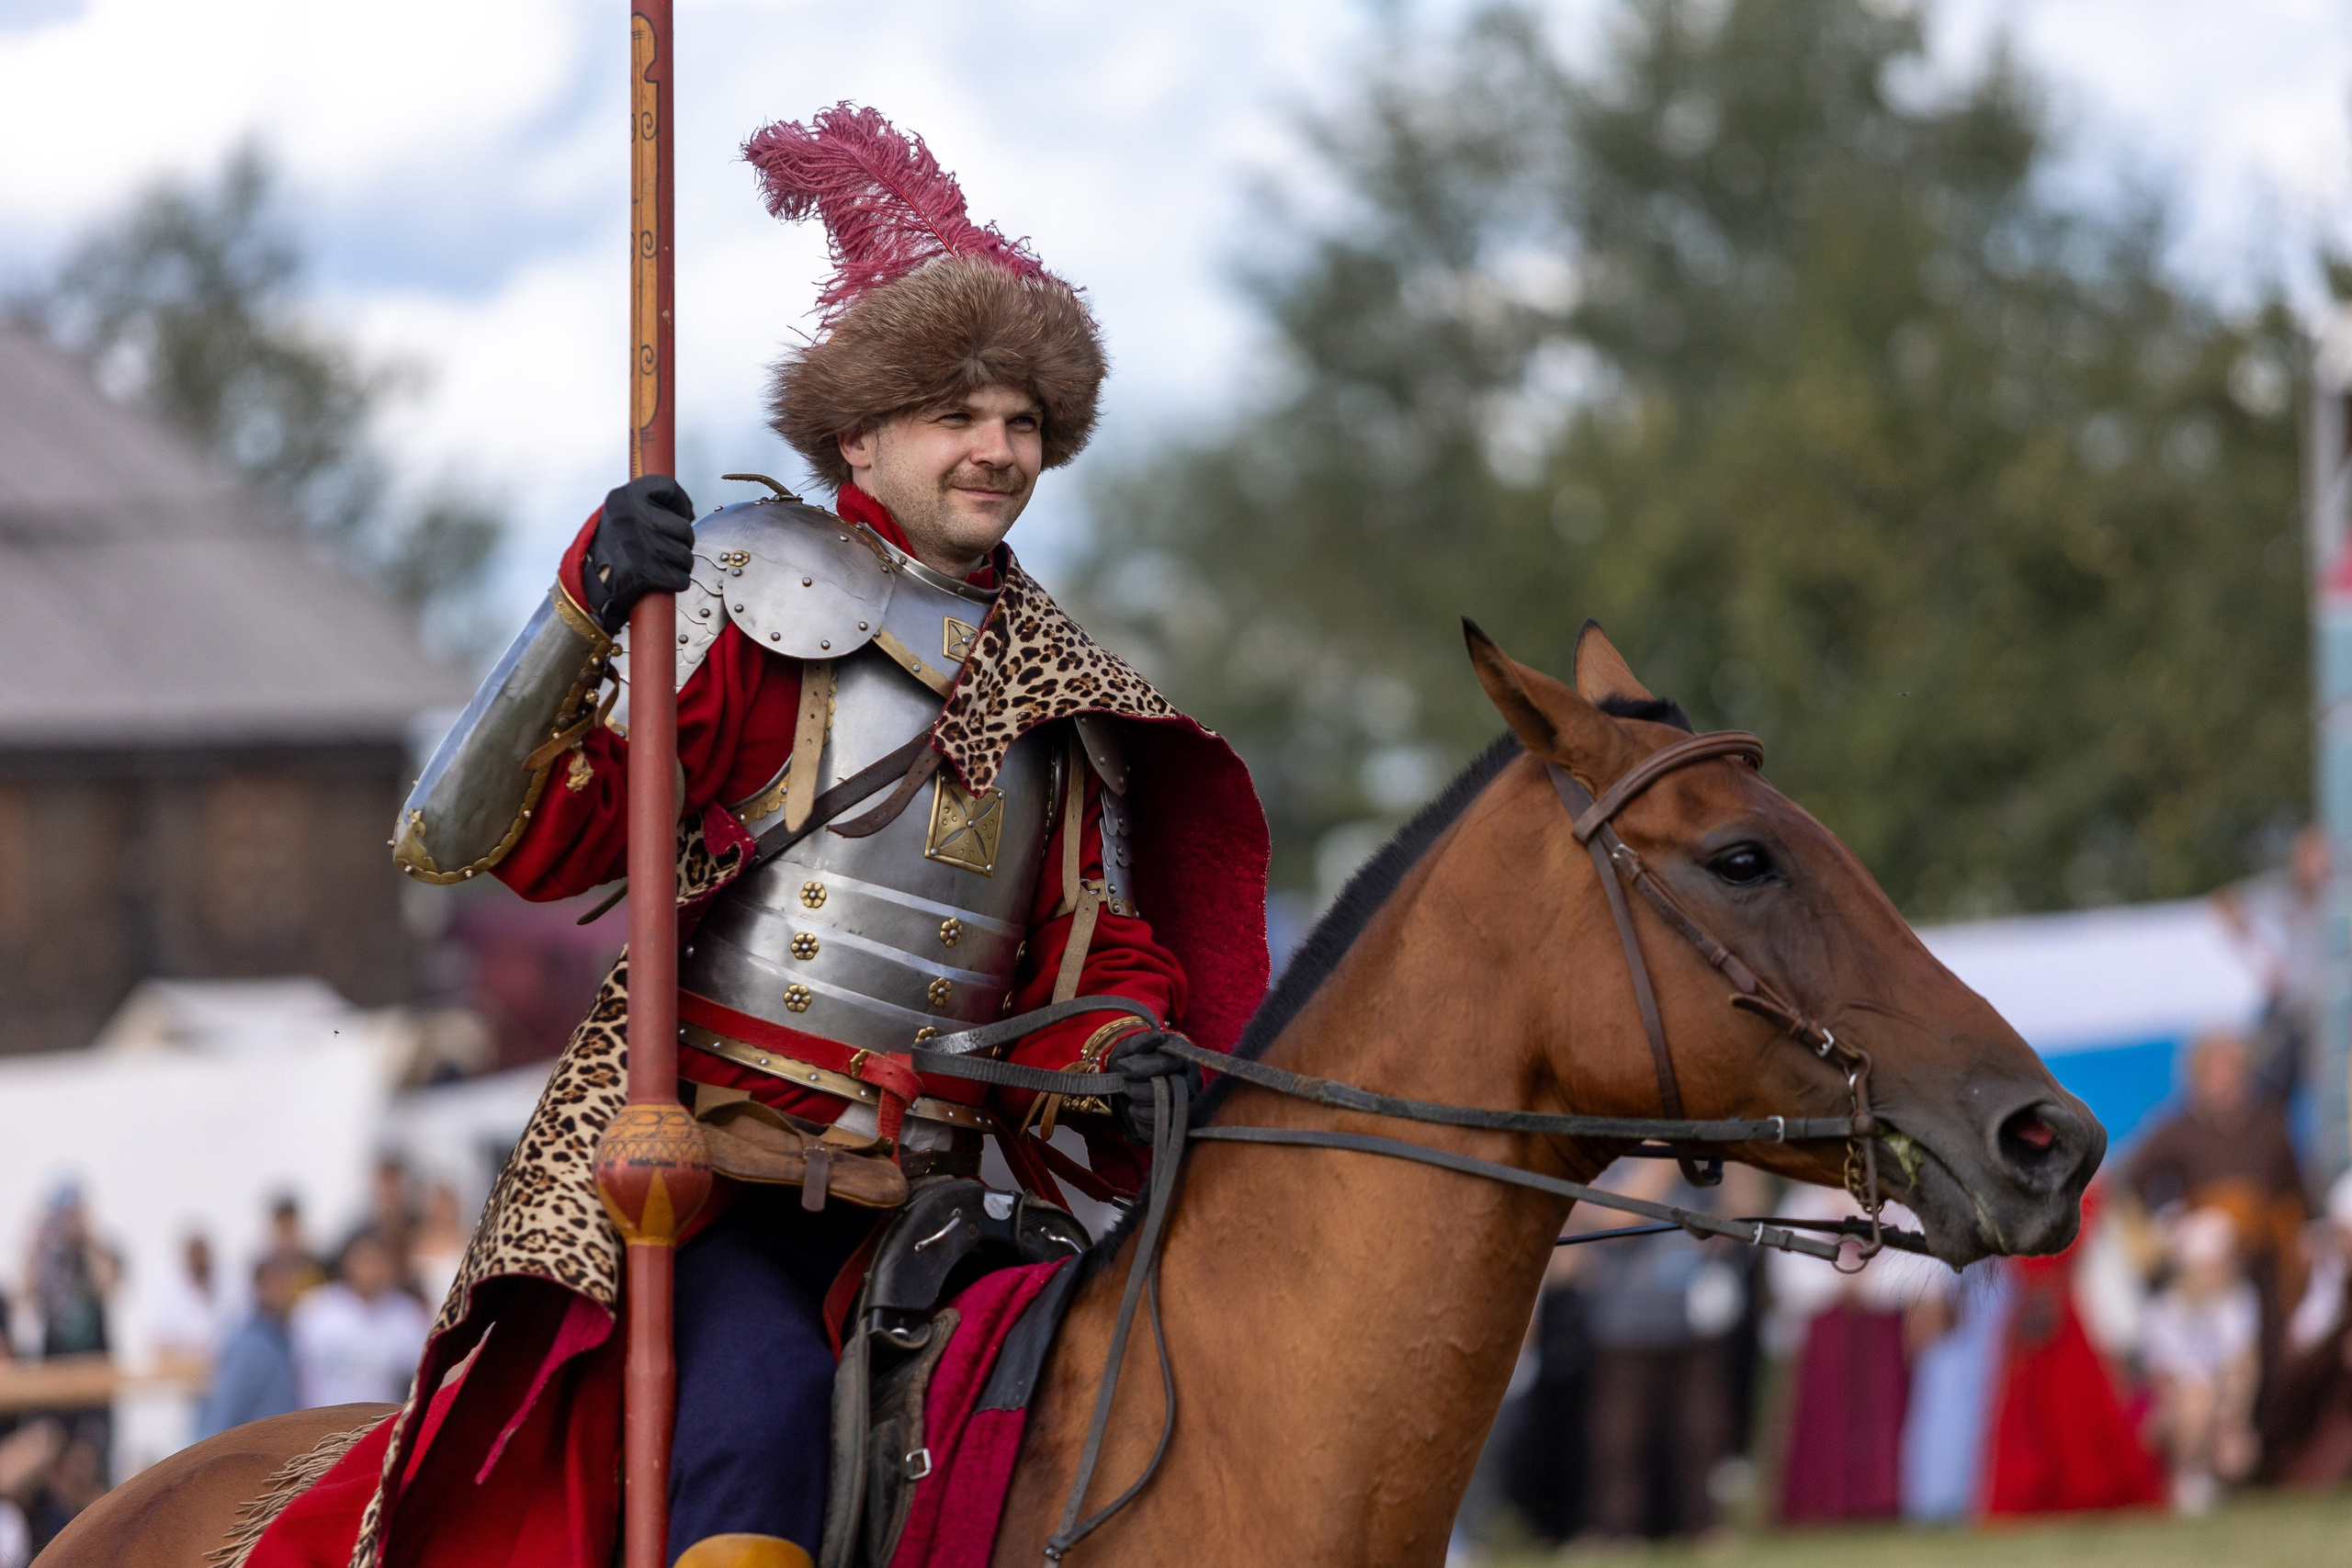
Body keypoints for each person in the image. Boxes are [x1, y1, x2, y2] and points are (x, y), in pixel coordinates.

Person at [245, 105, 1269, 1568]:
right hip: (721, 1193)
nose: (996, 448)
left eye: (1024, 421)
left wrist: (1125, 1051)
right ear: (860, 429)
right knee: (756, 1419)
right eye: (957, 413)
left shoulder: (1067, 694)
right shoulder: (752, 585)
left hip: (937, 1209)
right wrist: (585, 605)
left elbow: (1083, 969)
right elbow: (493, 838)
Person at [2124, 1031, 2310, 1383]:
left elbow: (2295, 1194)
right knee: (2215, 1372)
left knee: (2271, 1360)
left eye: (2233, 1070)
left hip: (2265, 1264)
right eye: (2216, 1071)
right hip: (2209, 1276)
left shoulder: (2270, 1125)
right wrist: (2164, 1234)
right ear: (2198, 1078)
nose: (2226, 1081)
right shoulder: (2177, 1130)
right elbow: (2134, 1182)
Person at [2142, 1207, 2260, 1513]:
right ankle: (2187, 1476)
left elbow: (2244, 1366)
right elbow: (2162, 1381)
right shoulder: (2164, 1310)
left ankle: (2205, 1476)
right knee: (2197, 1401)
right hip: (2176, 1406)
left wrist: (2233, 1413)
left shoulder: (2239, 1300)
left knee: (2236, 1456)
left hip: (2216, 1399)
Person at [288, 1232, 429, 1410]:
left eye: (375, 1262)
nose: (369, 1270)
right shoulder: (315, 1309)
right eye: (363, 1261)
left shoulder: (406, 1314)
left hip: (378, 1428)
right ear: (347, 1263)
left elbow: (425, 1375)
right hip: (318, 1427)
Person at [194, 1256, 303, 1440]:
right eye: (276, 1283)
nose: (283, 1291)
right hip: (254, 1453)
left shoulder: (286, 1337)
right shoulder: (249, 1345)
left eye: (287, 1283)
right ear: (259, 1287)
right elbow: (224, 1411)